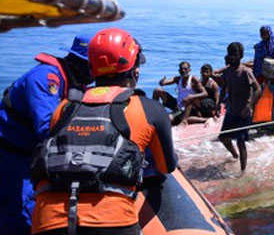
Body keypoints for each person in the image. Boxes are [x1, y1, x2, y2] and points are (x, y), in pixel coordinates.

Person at [30, 28, 177, 235]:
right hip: (111, 223)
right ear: (134, 69)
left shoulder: (63, 108)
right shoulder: (149, 108)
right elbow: (166, 166)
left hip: (47, 223)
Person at [0, 35, 93, 235]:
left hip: (32, 155)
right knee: (18, 214)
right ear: (80, 63)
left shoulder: (74, 83)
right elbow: (46, 128)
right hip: (11, 155)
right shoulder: (46, 78)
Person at [219, 42, 261, 173]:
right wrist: (219, 103)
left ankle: (243, 171)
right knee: (223, 137)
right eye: (230, 54)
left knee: (240, 141)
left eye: (235, 55)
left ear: (241, 56)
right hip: (232, 110)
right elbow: (224, 88)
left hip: (243, 112)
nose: (232, 57)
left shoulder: (245, 72)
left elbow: (258, 89)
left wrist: (250, 105)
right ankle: (235, 155)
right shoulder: (226, 72)